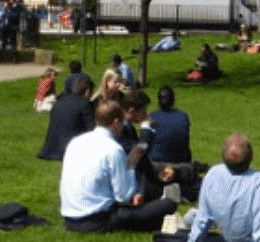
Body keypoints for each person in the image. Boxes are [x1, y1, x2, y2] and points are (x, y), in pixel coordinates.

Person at [59, 100, 179, 233]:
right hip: (98, 220)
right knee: (168, 204)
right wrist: (131, 168)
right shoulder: (113, 149)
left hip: (69, 218)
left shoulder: (75, 142)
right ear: (116, 122)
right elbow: (123, 196)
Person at [38, 73, 96, 161]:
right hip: (73, 148)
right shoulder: (84, 104)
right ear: (87, 91)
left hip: (53, 147)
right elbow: (92, 129)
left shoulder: (59, 102)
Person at [145, 84, 192, 164]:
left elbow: (145, 143)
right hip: (181, 163)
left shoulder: (151, 117)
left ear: (158, 101)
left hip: (156, 164)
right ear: (173, 100)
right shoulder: (183, 116)